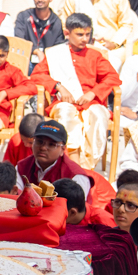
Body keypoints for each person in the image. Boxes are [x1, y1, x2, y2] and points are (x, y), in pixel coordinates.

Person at [29, 13, 122, 169]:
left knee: (98, 115)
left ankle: (87, 167)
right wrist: (58, 86)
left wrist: (93, 93)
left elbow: (112, 77)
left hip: (90, 102)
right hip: (66, 101)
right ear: (67, 33)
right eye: (79, 34)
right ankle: (72, 162)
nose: (84, 39)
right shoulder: (56, 54)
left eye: (87, 34)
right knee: (65, 113)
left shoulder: (95, 55)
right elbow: (37, 75)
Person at [15, 120, 115, 224]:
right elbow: (16, 199)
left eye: (52, 144)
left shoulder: (76, 176)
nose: (43, 148)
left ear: (63, 149)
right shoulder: (22, 167)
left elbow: (73, 214)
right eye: (39, 142)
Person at [54, 0, 138, 72]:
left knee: (109, 66)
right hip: (80, 44)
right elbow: (66, 22)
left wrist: (114, 43)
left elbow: (126, 24)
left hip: (110, 47)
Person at [14, 0, 64, 67]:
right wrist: (36, 51)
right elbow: (19, 41)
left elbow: (58, 46)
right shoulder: (23, 16)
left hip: (48, 62)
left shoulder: (56, 21)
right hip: (26, 59)